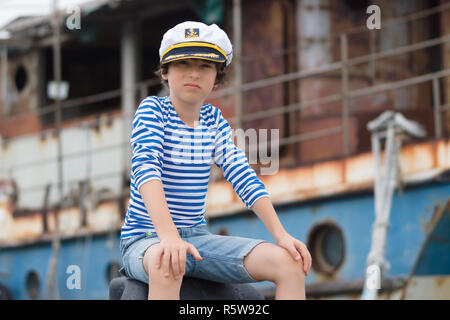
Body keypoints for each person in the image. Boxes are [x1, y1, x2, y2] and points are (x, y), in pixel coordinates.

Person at [120, 21, 312, 300]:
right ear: (165, 71)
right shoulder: (152, 110)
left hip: (197, 237)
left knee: (290, 263)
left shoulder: (213, 121)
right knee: (167, 262)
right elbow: (146, 171)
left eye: (205, 66)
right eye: (183, 63)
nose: (194, 73)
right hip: (146, 238)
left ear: (217, 76)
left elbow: (243, 176)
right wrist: (169, 237)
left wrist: (282, 236)